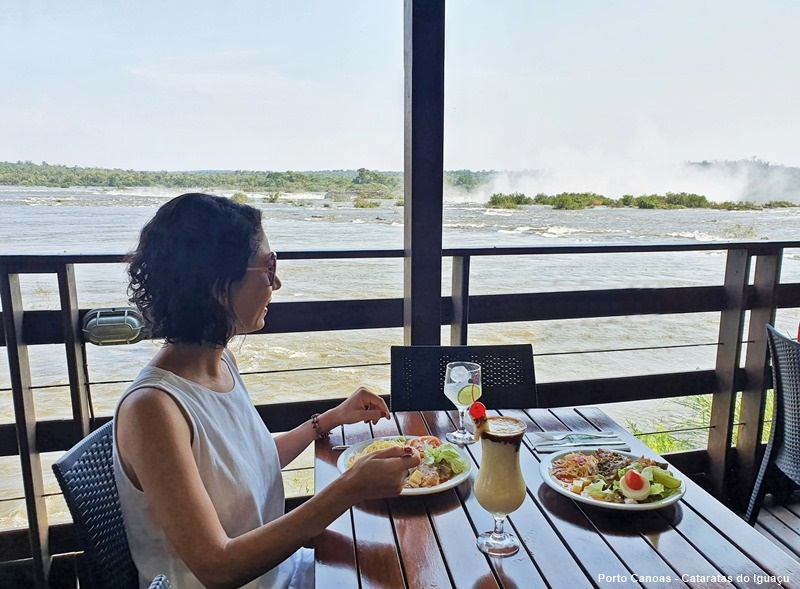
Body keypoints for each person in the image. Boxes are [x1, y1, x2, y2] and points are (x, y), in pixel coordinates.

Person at [112, 192, 420, 588]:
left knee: (401, 565)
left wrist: (328, 420)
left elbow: (246, 467)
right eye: (267, 267)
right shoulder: (153, 409)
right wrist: (348, 489)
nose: (277, 281)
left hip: (278, 574)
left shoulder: (221, 364)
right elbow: (216, 567)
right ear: (216, 284)